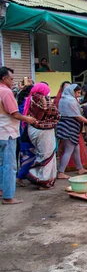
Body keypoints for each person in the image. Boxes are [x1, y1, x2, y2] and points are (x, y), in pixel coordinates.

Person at [0, 67, 37, 204]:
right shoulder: (6, 92)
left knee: (2, 163)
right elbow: (14, 113)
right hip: (7, 132)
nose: (13, 81)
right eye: (11, 79)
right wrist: (27, 119)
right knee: (9, 165)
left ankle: (2, 189)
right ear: (4, 78)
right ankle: (8, 197)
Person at [21, 83, 60, 189]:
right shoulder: (43, 99)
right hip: (44, 130)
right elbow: (55, 113)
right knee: (47, 155)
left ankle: (43, 178)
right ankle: (43, 180)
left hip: (32, 129)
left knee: (41, 153)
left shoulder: (30, 99)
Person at [56, 85, 87, 179]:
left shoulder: (63, 99)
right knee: (69, 150)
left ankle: (80, 168)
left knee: (76, 148)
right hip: (70, 126)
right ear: (72, 92)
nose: (79, 95)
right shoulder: (71, 101)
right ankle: (61, 172)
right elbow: (77, 116)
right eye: (77, 93)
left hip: (66, 125)